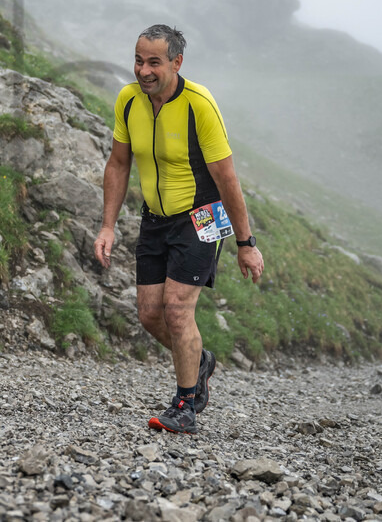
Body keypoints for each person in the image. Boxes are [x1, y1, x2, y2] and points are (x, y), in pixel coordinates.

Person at [93, 24, 264, 435]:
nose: (144, 71)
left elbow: (227, 180)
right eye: (138, 60)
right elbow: (119, 164)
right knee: (150, 315)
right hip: (154, 217)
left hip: (202, 216)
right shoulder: (128, 100)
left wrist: (246, 243)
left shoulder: (198, 105)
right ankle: (199, 361)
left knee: (176, 308)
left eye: (154, 62)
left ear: (176, 62)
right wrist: (107, 226)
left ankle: (185, 404)